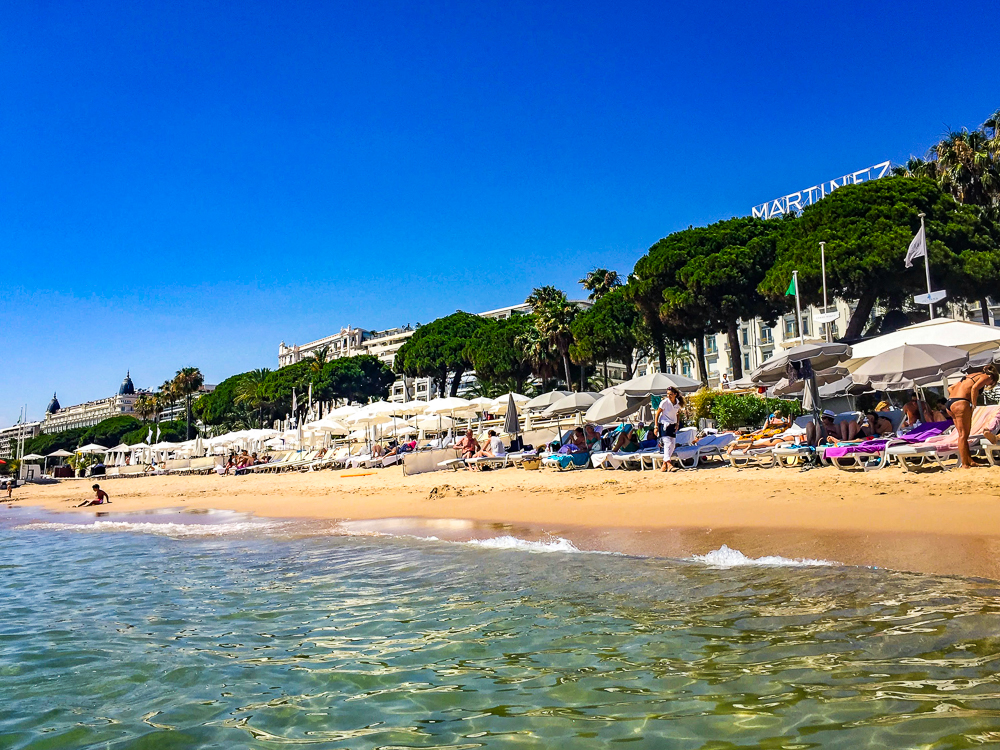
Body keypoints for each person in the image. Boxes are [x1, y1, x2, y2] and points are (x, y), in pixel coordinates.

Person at [945, 364, 999, 469]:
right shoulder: (987, 377)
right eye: (991, 384)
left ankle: (969, 460)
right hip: (961, 403)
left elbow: (950, 388)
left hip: (950, 403)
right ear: (993, 379)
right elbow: (974, 388)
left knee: (963, 435)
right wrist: (973, 404)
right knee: (963, 436)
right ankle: (965, 464)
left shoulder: (970, 376)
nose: (988, 385)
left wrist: (955, 399)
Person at [654, 387, 684, 472]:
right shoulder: (664, 402)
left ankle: (664, 464)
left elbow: (677, 413)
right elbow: (657, 414)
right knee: (667, 443)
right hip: (664, 424)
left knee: (672, 445)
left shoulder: (677, 403)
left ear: (675, 394)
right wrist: (656, 426)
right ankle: (669, 463)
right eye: (667, 394)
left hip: (672, 425)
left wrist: (677, 423)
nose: (669, 396)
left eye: (670, 394)